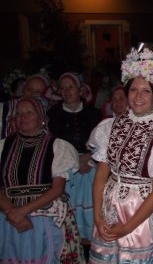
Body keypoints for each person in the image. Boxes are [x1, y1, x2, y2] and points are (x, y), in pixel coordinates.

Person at [87, 45, 153, 263]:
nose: (138, 96)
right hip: (108, 207)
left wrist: (128, 227)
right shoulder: (110, 126)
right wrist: (97, 216)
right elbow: (101, 175)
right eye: (133, 90)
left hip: (140, 212)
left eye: (146, 91)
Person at [0, 97, 84, 263]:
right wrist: (11, 212)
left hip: (45, 217)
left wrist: (21, 211)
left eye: (29, 112)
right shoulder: (3, 146)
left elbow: (57, 189)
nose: (22, 117)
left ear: (41, 118)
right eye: (19, 113)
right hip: (8, 218)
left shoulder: (58, 146)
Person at [46, 71, 102, 257]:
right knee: (70, 222)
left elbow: (102, 141)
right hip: (66, 172)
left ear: (80, 90)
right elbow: (50, 144)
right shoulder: (53, 115)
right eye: (63, 88)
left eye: (71, 87)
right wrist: (74, 162)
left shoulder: (93, 113)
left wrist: (89, 158)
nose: (67, 91)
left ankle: (92, 255)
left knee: (92, 218)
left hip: (90, 169)